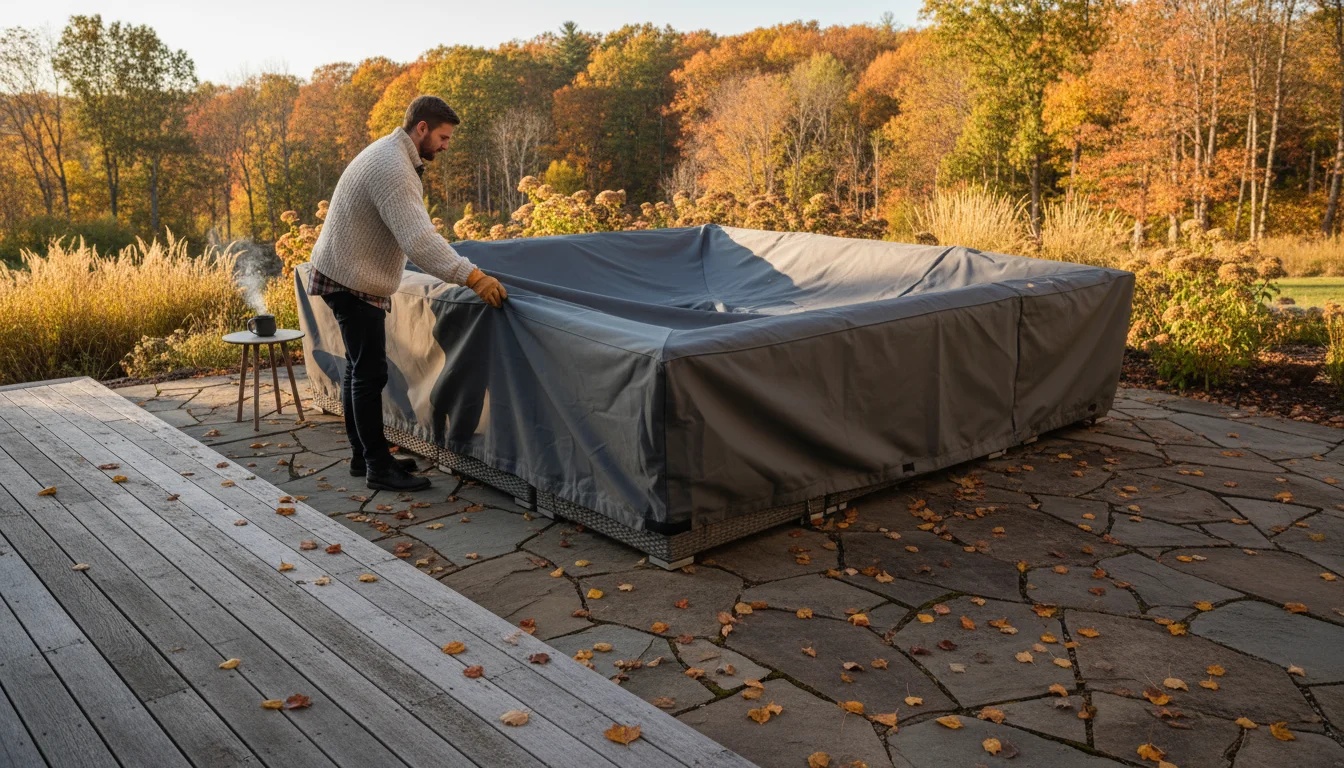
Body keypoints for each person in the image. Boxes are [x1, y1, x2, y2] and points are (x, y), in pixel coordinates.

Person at [307, 95, 508, 492]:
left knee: (356, 369)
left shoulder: (391, 152)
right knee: (369, 373)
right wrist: (473, 277)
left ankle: (362, 455)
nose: (446, 146)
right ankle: (377, 468)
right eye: (444, 137)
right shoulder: (393, 168)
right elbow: (419, 241)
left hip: (341, 270)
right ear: (421, 129)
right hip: (351, 279)